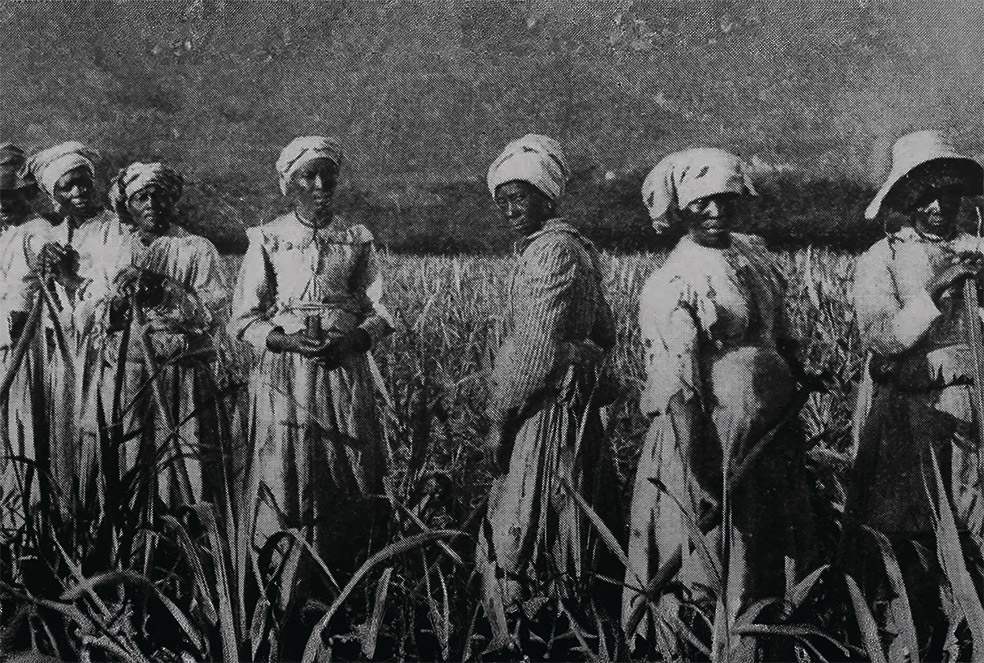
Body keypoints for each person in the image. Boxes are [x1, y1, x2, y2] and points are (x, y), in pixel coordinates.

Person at [622, 148, 815, 656]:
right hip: (713, 438)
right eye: (701, 202)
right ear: (681, 209)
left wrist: (799, 371)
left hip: (769, 432)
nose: (715, 211)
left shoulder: (752, 256)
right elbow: (678, 386)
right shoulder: (674, 281)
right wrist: (701, 469)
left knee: (771, 544)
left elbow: (778, 333)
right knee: (720, 551)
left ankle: (770, 646)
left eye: (726, 199)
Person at [478, 134, 619, 646]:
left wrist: (500, 420)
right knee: (572, 508)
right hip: (573, 410)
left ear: (546, 196)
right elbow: (605, 331)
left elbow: (533, 352)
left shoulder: (549, 254)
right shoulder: (575, 248)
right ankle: (572, 623)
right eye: (503, 201)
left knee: (530, 517)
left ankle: (532, 631)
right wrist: (582, 354)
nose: (511, 210)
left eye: (521, 198)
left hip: (544, 411)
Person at [229, 136, 393, 577]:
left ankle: (347, 568)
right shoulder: (269, 238)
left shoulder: (356, 239)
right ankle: (283, 568)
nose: (320, 185)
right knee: (287, 457)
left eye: (328, 176)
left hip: (342, 369)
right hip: (286, 371)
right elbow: (243, 319)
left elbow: (381, 311)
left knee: (345, 458)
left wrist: (351, 341)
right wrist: (289, 341)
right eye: (309, 176)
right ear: (291, 182)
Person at [845, 130, 984, 649]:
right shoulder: (881, 259)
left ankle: (969, 632)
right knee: (915, 520)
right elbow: (882, 336)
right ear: (905, 197)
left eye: (950, 194)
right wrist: (936, 290)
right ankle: (912, 637)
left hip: (974, 402)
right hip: (915, 410)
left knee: (973, 515)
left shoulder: (974, 251)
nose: (940, 206)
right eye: (927, 195)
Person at [78, 162, 229, 509]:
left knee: (183, 454)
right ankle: (133, 529)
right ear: (127, 205)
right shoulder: (114, 249)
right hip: (128, 370)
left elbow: (212, 311)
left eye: (159, 196)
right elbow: (94, 310)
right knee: (131, 451)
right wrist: (116, 304)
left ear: (172, 199)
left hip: (180, 370)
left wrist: (162, 290)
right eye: (141, 197)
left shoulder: (195, 248)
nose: (151, 205)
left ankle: (186, 528)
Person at [18, 141, 132, 511]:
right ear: (54, 196)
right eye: (68, 187)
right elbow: (40, 302)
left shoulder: (119, 231)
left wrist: (72, 281)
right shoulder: (52, 236)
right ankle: (70, 522)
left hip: (105, 353)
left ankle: (108, 523)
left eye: (84, 182)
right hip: (63, 357)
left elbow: (118, 299)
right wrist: (44, 271)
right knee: (63, 440)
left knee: (102, 438)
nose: (80, 191)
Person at [0, 143, 43, 536]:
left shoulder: (39, 234)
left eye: (7, 196)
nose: (1, 205)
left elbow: (31, 300)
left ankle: (21, 532)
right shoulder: (4, 234)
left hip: (25, 356)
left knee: (20, 441)